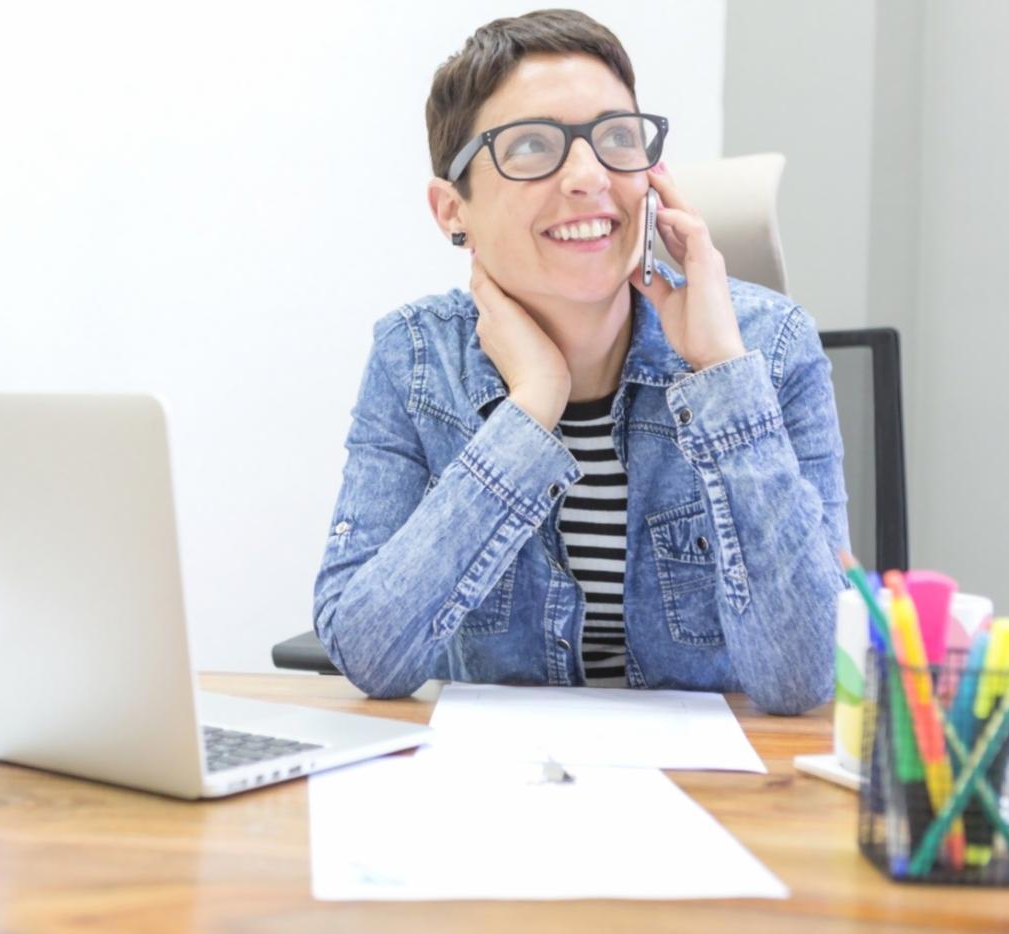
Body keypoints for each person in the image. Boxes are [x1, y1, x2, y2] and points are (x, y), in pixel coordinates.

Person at [312, 9, 849, 714]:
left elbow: (805, 676)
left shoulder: (768, 347)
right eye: (532, 145)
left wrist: (720, 372)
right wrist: (531, 407)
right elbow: (370, 655)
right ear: (451, 209)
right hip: (502, 791)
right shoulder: (415, 358)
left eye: (616, 138)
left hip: (717, 797)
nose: (588, 176)